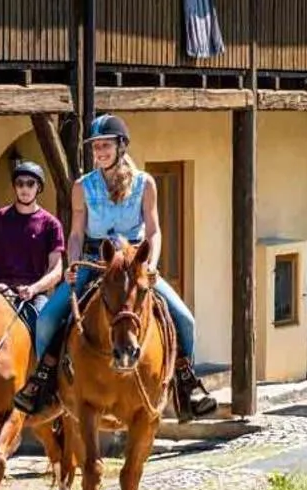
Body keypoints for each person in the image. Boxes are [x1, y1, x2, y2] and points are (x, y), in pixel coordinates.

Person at [11, 115, 218, 420]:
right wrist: (72, 264)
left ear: (121, 146)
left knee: (185, 319)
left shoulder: (145, 183)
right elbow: (77, 232)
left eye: (106, 145)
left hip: (135, 263)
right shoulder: (82, 186)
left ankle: (187, 383)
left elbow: (154, 231)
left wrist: (150, 265)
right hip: (95, 260)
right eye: (96, 147)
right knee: (47, 319)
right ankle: (44, 383)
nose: (100, 152)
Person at [0, 160, 66, 331]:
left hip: (33, 295)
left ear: (38, 187)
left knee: (49, 328)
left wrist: (33, 289)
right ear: (15, 187)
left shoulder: (51, 224)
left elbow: (56, 271)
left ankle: (46, 359)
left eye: (30, 183)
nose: (25, 188)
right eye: (20, 183)